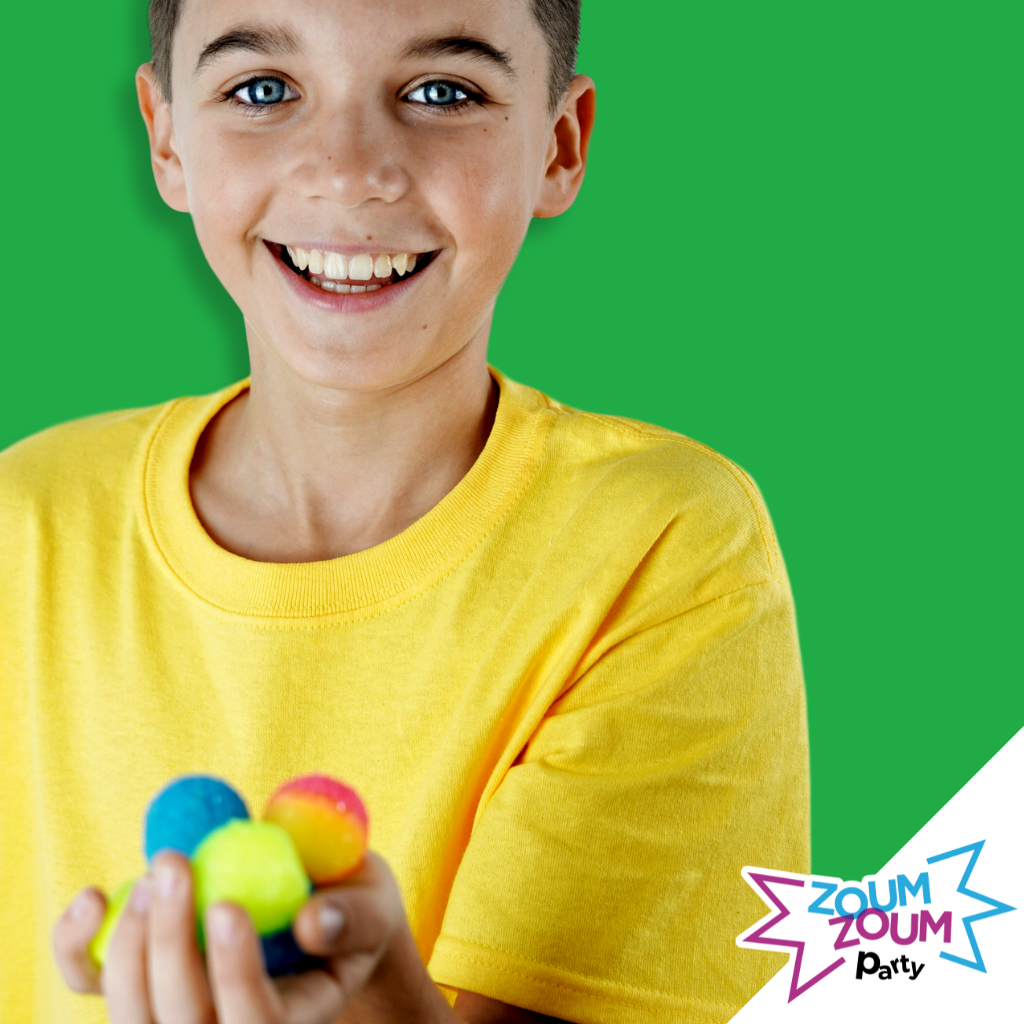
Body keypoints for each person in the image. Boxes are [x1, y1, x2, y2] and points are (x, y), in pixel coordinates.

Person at [0, 0, 810, 1021]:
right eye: (262, 90)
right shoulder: (21, 524)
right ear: (166, 139)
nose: (346, 169)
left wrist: (381, 1005)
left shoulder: (664, 550)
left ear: (560, 147)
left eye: (442, 92)